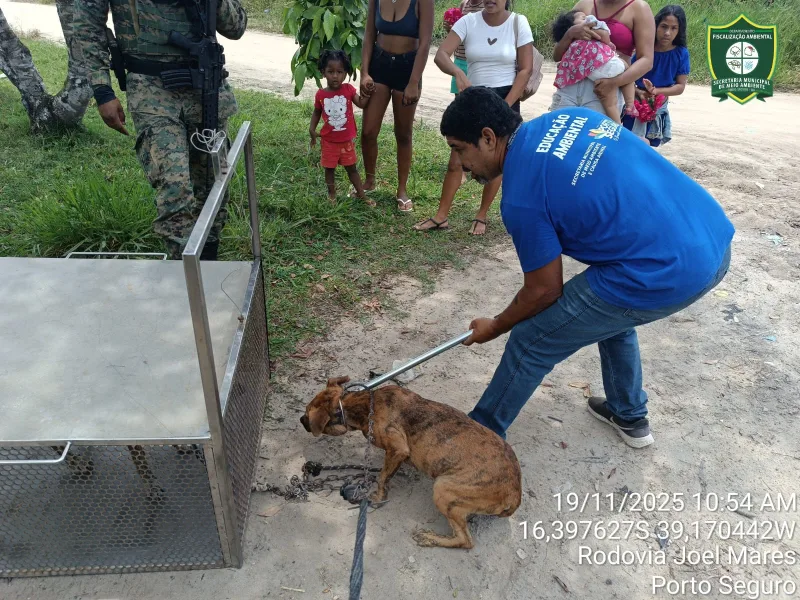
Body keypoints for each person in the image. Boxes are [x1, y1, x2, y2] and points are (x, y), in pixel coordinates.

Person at [441, 88, 734, 447]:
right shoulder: (571, 117)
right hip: (712, 237)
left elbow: (544, 290)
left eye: (459, 149)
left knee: (531, 340)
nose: (460, 163)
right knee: (608, 312)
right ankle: (628, 415)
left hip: (668, 269)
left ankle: (476, 442)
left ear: (487, 137)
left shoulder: (521, 197)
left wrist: (497, 325)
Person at [72, 0, 247, 260]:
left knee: (213, 185)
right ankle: (183, 271)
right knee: (174, 188)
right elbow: (87, 24)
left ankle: (208, 263)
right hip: (151, 87)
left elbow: (236, 27)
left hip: (206, 85)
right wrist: (102, 89)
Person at [414, 0, 533, 235]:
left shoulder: (519, 23)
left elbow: (525, 69)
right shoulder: (468, 21)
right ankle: (441, 216)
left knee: (498, 160)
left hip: (506, 98)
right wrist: (458, 71)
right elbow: (441, 55)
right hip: (473, 98)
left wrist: (503, 107)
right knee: (456, 159)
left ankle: (481, 215)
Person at [360, 0, 434, 212]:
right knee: (368, 131)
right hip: (379, 64)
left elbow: (426, 41)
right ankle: (369, 181)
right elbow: (369, 35)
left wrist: (413, 82)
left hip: (408, 68)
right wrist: (365, 72)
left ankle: (401, 190)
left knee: (403, 134)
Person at [551, 0, 654, 120]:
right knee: (559, 133)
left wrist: (614, 82)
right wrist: (569, 34)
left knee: (597, 136)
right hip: (571, 88)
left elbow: (646, 60)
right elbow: (557, 56)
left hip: (605, 89)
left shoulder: (638, 8)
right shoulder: (584, 5)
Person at [310, 51, 374, 205]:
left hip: (346, 142)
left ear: (346, 73)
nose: (335, 76)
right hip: (329, 141)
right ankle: (332, 195)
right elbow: (317, 112)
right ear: (323, 73)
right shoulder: (320, 94)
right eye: (330, 72)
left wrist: (368, 92)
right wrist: (312, 129)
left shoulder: (348, 90)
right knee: (329, 170)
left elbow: (361, 103)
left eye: (339, 72)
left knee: (352, 169)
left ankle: (361, 194)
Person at [622, 5, 689, 147]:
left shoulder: (681, 54)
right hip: (635, 102)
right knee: (627, 140)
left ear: (679, 30)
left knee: (650, 145)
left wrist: (656, 91)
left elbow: (680, 86)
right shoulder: (645, 49)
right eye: (663, 26)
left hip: (658, 105)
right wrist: (639, 92)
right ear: (655, 26)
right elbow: (626, 77)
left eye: (673, 28)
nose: (667, 33)